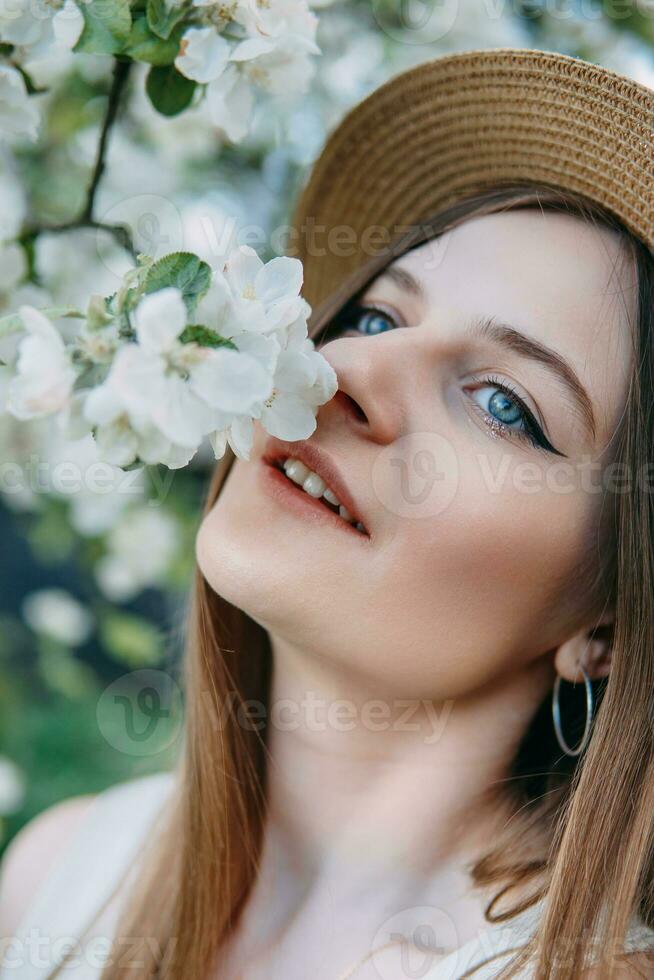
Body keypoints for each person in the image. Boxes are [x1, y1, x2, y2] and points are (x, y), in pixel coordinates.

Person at [1, 47, 654, 980]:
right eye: (380, 318)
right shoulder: (62, 878)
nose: (343, 373)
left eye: (505, 403)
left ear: (610, 625)